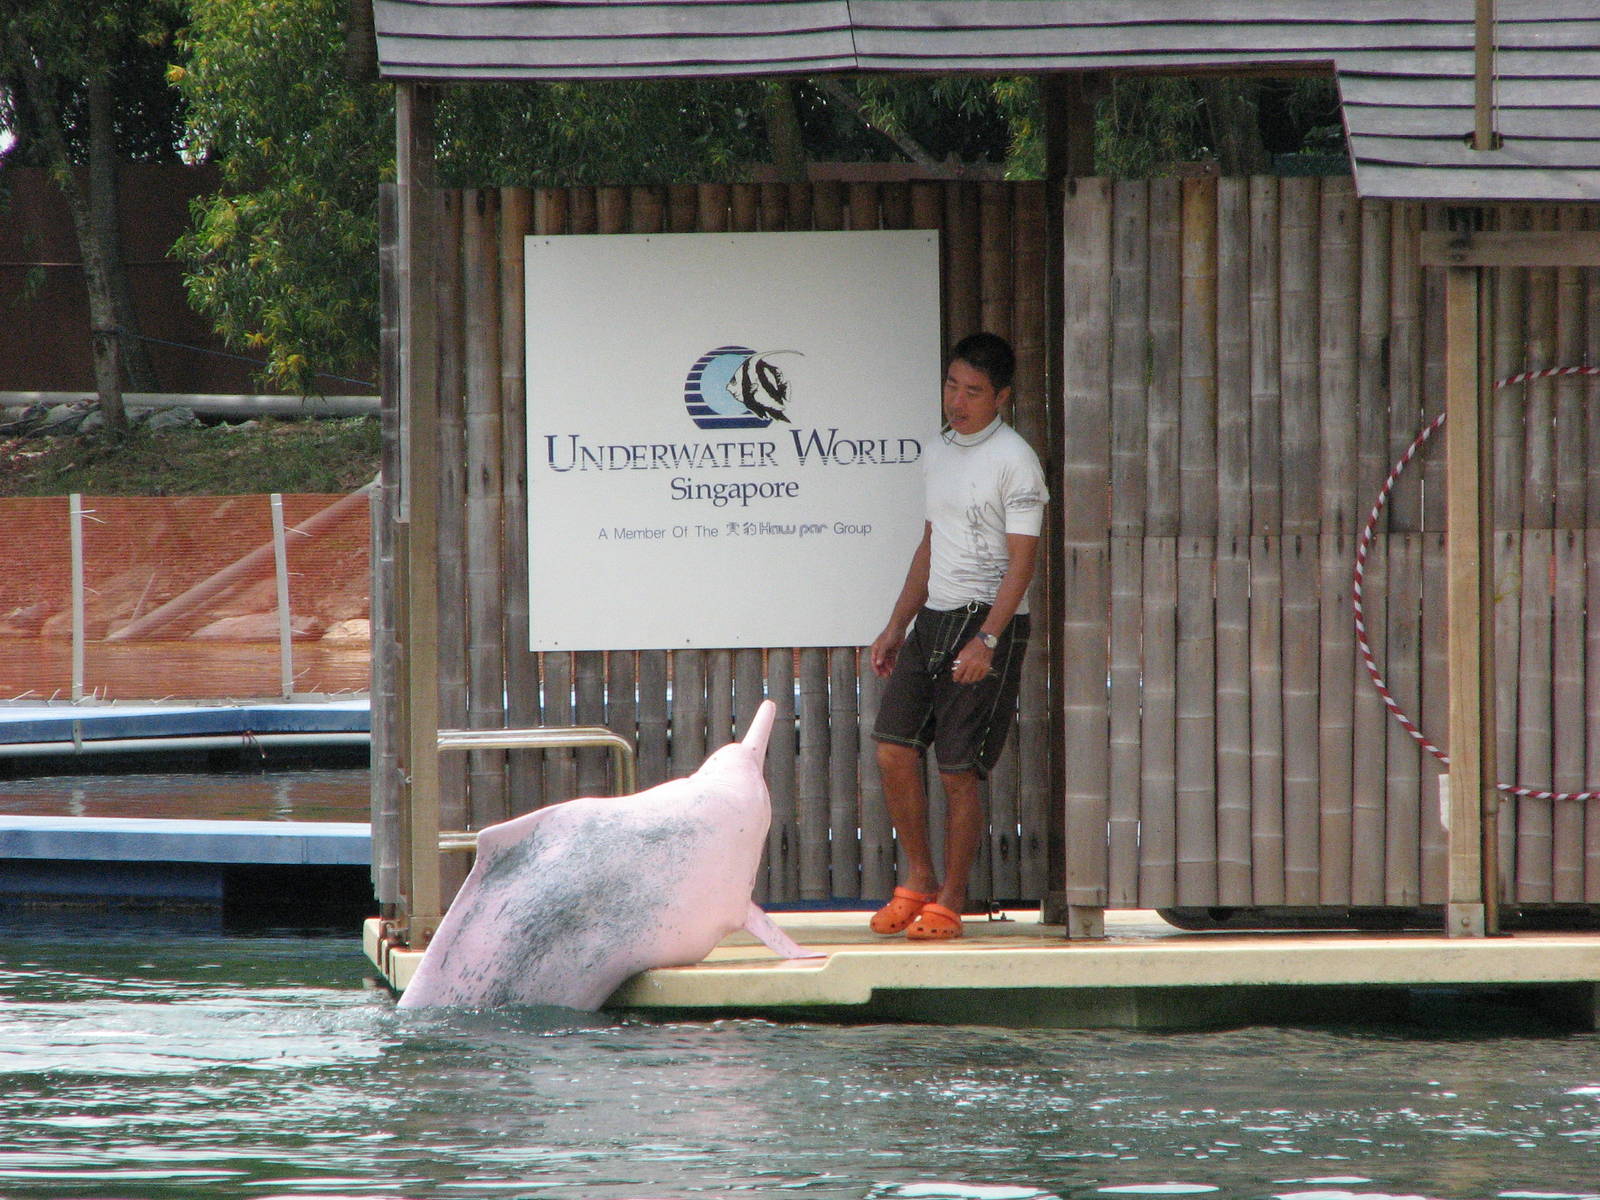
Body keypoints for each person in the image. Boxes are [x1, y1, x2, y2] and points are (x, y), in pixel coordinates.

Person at [868, 332, 1047, 941]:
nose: (958, 401)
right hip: (934, 616)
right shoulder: (938, 452)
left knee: (957, 770)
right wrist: (896, 625)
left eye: (973, 391)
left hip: (986, 620)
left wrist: (989, 641)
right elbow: (930, 542)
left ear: (1001, 397)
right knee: (894, 747)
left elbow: (1023, 563)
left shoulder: (1016, 460)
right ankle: (916, 878)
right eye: (951, 385)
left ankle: (952, 897)